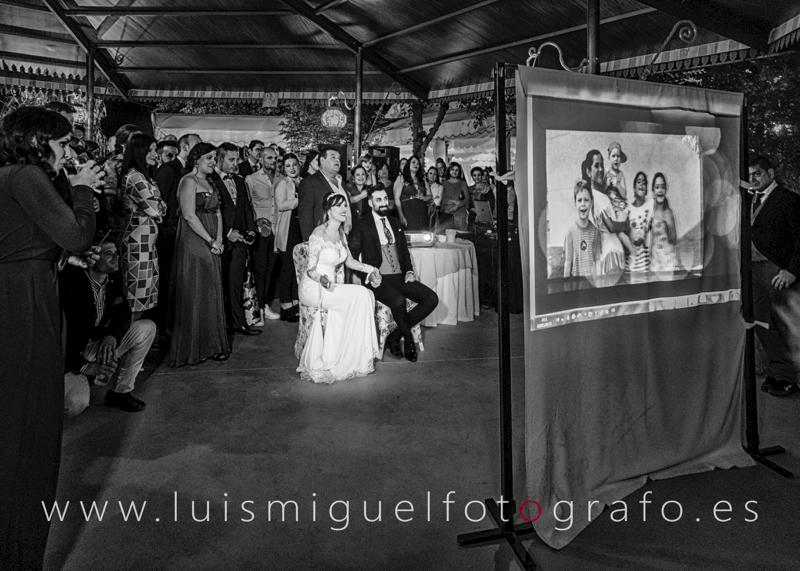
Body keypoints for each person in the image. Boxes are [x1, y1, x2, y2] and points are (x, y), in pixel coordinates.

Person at [0, 106, 101, 570]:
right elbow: (76, 235)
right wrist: (84, 189)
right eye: (62, 143)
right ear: (40, 141)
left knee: (23, 421)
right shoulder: (24, 176)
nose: (68, 150)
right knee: (28, 428)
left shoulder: (17, 177)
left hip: (24, 295)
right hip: (23, 304)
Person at [60, 241, 155, 413]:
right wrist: (86, 367)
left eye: (116, 253)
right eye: (108, 254)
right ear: (92, 258)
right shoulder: (72, 285)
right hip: (68, 356)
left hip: (96, 346)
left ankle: (121, 392)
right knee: (75, 403)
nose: (116, 257)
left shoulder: (111, 282)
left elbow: (124, 312)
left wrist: (112, 336)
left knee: (146, 328)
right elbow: (61, 336)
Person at [297, 193, 382, 383]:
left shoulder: (342, 233)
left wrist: (370, 269)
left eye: (345, 205)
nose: (344, 209)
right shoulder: (318, 234)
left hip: (332, 286)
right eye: (339, 206)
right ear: (328, 210)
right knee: (360, 295)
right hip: (314, 287)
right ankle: (344, 357)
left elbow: (350, 261)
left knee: (366, 294)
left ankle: (351, 356)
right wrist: (324, 280)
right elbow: (310, 270)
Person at [349, 187, 439, 362]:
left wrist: (410, 271)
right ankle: (409, 342)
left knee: (431, 299)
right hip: (378, 279)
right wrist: (368, 275)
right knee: (399, 301)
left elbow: (404, 253)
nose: (383, 203)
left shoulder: (395, 222)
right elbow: (351, 258)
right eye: (378, 200)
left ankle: (395, 336)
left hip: (400, 275)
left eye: (385, 199)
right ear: (370, 202)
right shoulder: (362, 224)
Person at [169, 142, 231, 366]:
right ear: (196, 160)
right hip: (195, 240)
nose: (213, 162)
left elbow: (218, 213)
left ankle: (212, 345)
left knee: (211, 290)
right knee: (197, 290)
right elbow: (188, 215)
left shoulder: (210, 182)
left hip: (214, 239)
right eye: (209, 158)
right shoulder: (188, 181)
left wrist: (220, 239)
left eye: (214, 158)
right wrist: (210, 240)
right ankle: (194, 347)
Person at [749, 156, 800, 397]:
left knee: (786, 323)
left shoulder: (788, 200)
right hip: (753, 270)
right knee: (761, 322)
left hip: (777, 269)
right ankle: (779, 373)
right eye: (749, 175)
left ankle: (793, 377)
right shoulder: (749, 199)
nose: (753, 179)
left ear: (770, 173)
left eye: (757, 173)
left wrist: (791, 270)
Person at [210, 142, 262, 336]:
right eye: (231, 160)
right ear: (219, 159)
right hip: (220, 240)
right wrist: (226, 232)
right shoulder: (210, 179)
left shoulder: (240, 180)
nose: (235, 164)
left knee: (236, 282)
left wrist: (251, 230)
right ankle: (220, 326)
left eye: (237, 159)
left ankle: (239, 323)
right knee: (219, 284)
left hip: (240, 240)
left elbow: (246, 208)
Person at [121, 133, 167, 319]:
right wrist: (159, 207)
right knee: (136, 298)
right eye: (151, 150)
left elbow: (161, 207)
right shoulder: (135, 177)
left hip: (146, 245)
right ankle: (129, 339)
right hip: (136, 245)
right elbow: (156, 209)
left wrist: (159, 207)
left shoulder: (146, 177)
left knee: (144, 295)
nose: (156, 154)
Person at [245, 145, 281, 321]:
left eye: (275, 158)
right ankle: (258, 307)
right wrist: (256, 223)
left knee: (272, 269)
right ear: (260, 159)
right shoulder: (251, 179)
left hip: (278, 230)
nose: (273, 161)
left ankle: (265, 303)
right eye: (269, 158)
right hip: (262, 230)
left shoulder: (281, 179)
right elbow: (248, 206)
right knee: (260, 269)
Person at [581, 149, 626, 277]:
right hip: (611, 252)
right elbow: (611, 227)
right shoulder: (599, 197)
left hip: (605, 253)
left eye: (602, 165)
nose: (601, 169)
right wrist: (626, 224)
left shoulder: (592, 196)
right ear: (588, 172)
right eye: (596, 166)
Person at [298, 146, 352, 240]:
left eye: (339, 158)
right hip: (323, 240)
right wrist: (309, 242)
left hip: (344, 237)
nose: (337, 161)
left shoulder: (341, 182)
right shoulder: (309, 183)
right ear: (322, 160)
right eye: (333, 157)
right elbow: (305, 217)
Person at [274, 153, 302, 322]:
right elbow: (281, 205)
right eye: (288, 166)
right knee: (288, 269)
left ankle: (295, 302)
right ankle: (285, 305)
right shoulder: (282, 183)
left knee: (298, 268)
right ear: (283, 169)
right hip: (288, 228)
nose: (292, 168)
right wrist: (297, 201)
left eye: (294, 164)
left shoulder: (304, 181)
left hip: (301, 228)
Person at [563, 181, 601, 278]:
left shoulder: (595, 231)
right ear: (575, 203)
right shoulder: (570, 232)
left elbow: (597, 261)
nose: (583, 204)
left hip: (591, 284)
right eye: (579, 200)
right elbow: (568, 262)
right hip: (576, 284)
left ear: (591, 202)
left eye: (586, 200)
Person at [649, 172, 678, 273]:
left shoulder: (669, 212)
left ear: (666, 190)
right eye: (657, 187)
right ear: (653, 190)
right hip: (655, 260)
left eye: (662, 187)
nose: (660, 190)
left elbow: (674, 239)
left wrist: (668, 225)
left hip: (668, 259)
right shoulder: (650, 211)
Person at [626, 171, 653, 277]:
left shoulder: (651, 205)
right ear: (633, 188)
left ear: (646, 189)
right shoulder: (628, 208)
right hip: (630, 260)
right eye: (639, 182)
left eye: (644, 183)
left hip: (645, 260)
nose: (642, 184)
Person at [393, 155, 430, 230]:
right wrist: (401, 216)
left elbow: (430, 195)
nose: (416, 165)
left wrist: (424, 198)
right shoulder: (401, 178)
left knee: (423, 237)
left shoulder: (422, 179)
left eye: (418, 163)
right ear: (408, 164)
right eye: (413, 162)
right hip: (407, 211)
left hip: (422, 211)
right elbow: (396, 199)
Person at [439, 161, 470, 231]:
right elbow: (441, 199)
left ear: (459, 172)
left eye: (457, 170)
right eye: (452, 170)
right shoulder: (443, 183)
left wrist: (457, 206)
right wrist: (453, 201)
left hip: (460, 213)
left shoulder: (463, 183)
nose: (454, 172)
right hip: (446, 212)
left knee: (460, 237)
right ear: (449, 170)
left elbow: (467, 199)